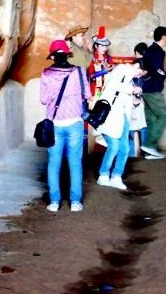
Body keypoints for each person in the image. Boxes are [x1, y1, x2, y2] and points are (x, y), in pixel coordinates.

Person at [39, 39, 91, 212]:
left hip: (54, 124)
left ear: (53, 56)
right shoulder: (78, 72)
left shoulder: (46, 74)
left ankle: (54, 202)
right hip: (75, 122)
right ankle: (75, 202)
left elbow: (43, 100)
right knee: (75, 163)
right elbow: (87, 95)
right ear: (68, 55)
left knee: (54, 163)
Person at [96, 58, 147, 189]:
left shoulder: (129, 78)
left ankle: (116, 176)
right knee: (113, 147)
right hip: (112, 116)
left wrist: (134, 102)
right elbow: (113, 85)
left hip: (123, 117)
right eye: (140, 73)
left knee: (125, 149)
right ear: (136, 66)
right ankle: (103, 174)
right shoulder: (121, 69)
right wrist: (132, 90)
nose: (139, 76)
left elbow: (123, 98)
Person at [140, 26, 166, 159]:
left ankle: (149, 152)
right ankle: (149, 145)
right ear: (164, 37)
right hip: (153, 89)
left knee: (152, 119)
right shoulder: (158, 51)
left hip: (146, 88)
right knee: (164, 116)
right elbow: (157, 70)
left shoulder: (150, 50)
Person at [128, 42, 149, 155]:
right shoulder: (148, 70)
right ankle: (145, 152)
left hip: (134, 104)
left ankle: (131, 154)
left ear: (136, 53)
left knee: (131, 129)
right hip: (140, 103)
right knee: (143, 127)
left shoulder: (134, 70)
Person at [87, 26, 114, 99]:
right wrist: (104, 71)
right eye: (102, 46)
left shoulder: (109, 58)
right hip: (95, 89)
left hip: (108, 89)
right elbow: (91, 76)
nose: (104, 49)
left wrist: (112, 69)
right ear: (96, 46)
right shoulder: (91, 59)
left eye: (106, 46)